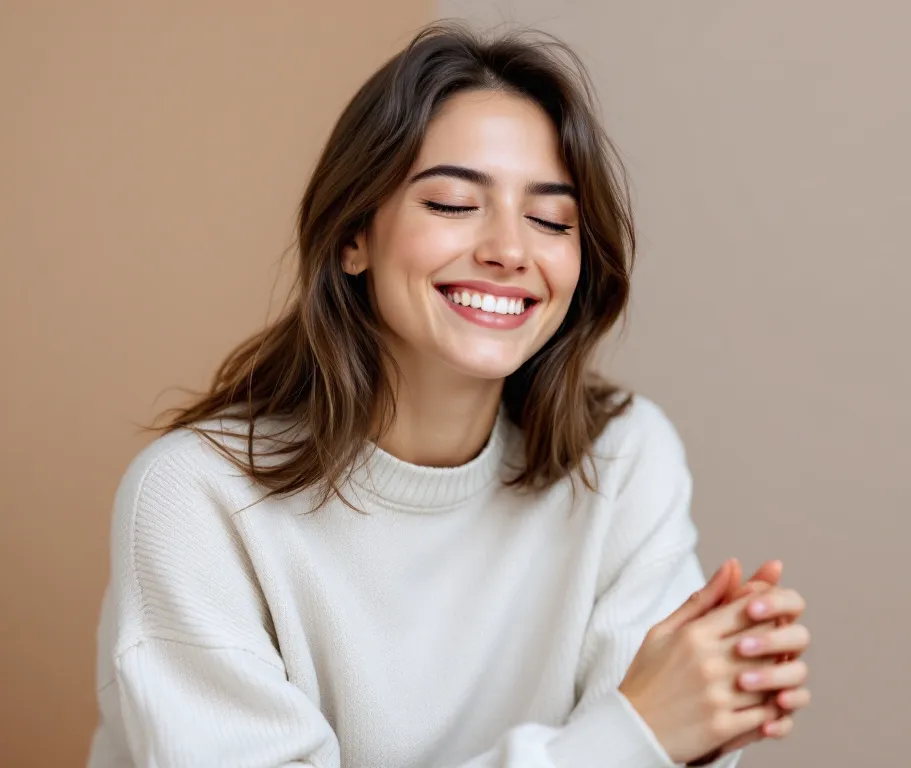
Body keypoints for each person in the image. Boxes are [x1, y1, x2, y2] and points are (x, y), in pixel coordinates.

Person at [87, 22, 812, 768]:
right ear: (353, 237)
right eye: (453, 204)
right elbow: (632, 738)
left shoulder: (622, 457)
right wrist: (643, 731)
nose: (508, 249)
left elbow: (658, 738)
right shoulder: (196, 498)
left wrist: (712, 700)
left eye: (551, 219)